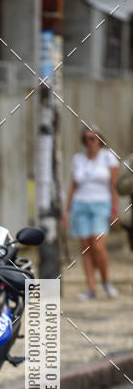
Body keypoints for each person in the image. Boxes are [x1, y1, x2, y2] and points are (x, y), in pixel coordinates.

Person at [63, 125, 120, 300]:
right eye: (87, 139)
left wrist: (114, 210)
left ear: (100, 140)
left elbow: (114, 186)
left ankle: (106, 281)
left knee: (98, 245)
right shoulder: (78, 159)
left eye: (93, 138)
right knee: (86, 248)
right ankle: (91, 287)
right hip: (81, 205)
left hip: (101, 205)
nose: (90, 142)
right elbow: (73, 186)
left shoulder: (108, 158)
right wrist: (67, 211)